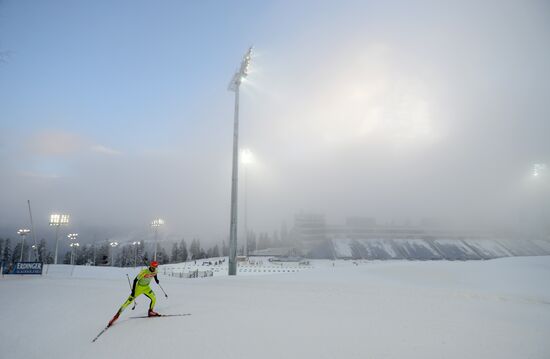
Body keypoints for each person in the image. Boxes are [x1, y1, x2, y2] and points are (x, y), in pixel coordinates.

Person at [108, 261, 161, 326]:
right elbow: (135, 280)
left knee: (154, 298)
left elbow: (155, 274)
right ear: (151, 266)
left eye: (156, 267)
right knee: (128, 302)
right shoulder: (144, 272)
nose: (154, 268)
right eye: (153, 267)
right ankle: (116, 316)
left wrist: (156, 280)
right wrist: (133, 291)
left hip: (147, 288)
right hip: (138, 288)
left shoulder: (155, 270)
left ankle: (150, 312)